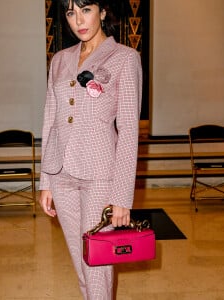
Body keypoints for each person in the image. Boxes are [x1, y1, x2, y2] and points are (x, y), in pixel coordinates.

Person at [39, 0, 142, 299]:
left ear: (103, 11)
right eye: (71, 13)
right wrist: (46, 181)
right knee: (82, 263)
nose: (78, 20)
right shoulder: (59, 60)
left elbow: (128, 130)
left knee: (98, 265)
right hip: (61, 176)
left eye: (85, 9)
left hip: (100, 176)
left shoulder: (125, 58)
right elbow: (50, 121)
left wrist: (122, 197)